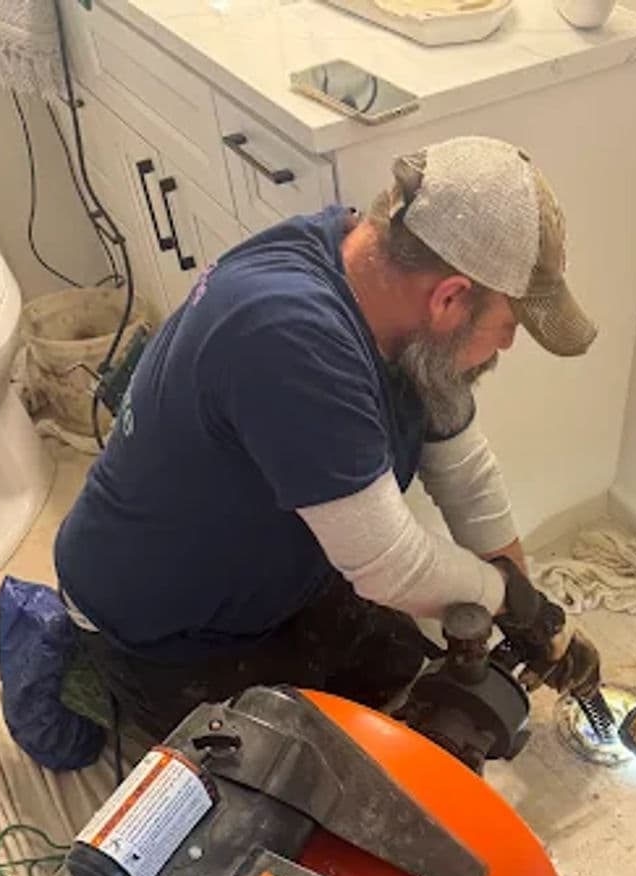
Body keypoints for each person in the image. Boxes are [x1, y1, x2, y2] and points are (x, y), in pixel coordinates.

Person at [55, 135, 601, 738]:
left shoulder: (382, 274)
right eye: (507, 325)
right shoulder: (292, 334)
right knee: (306, 790)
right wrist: (505, 600)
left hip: (268, 574)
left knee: (406, 688)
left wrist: (536, 614)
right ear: (450, 299)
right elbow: (388, 563)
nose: (507, 345)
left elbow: (463, 471)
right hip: (159, 626)